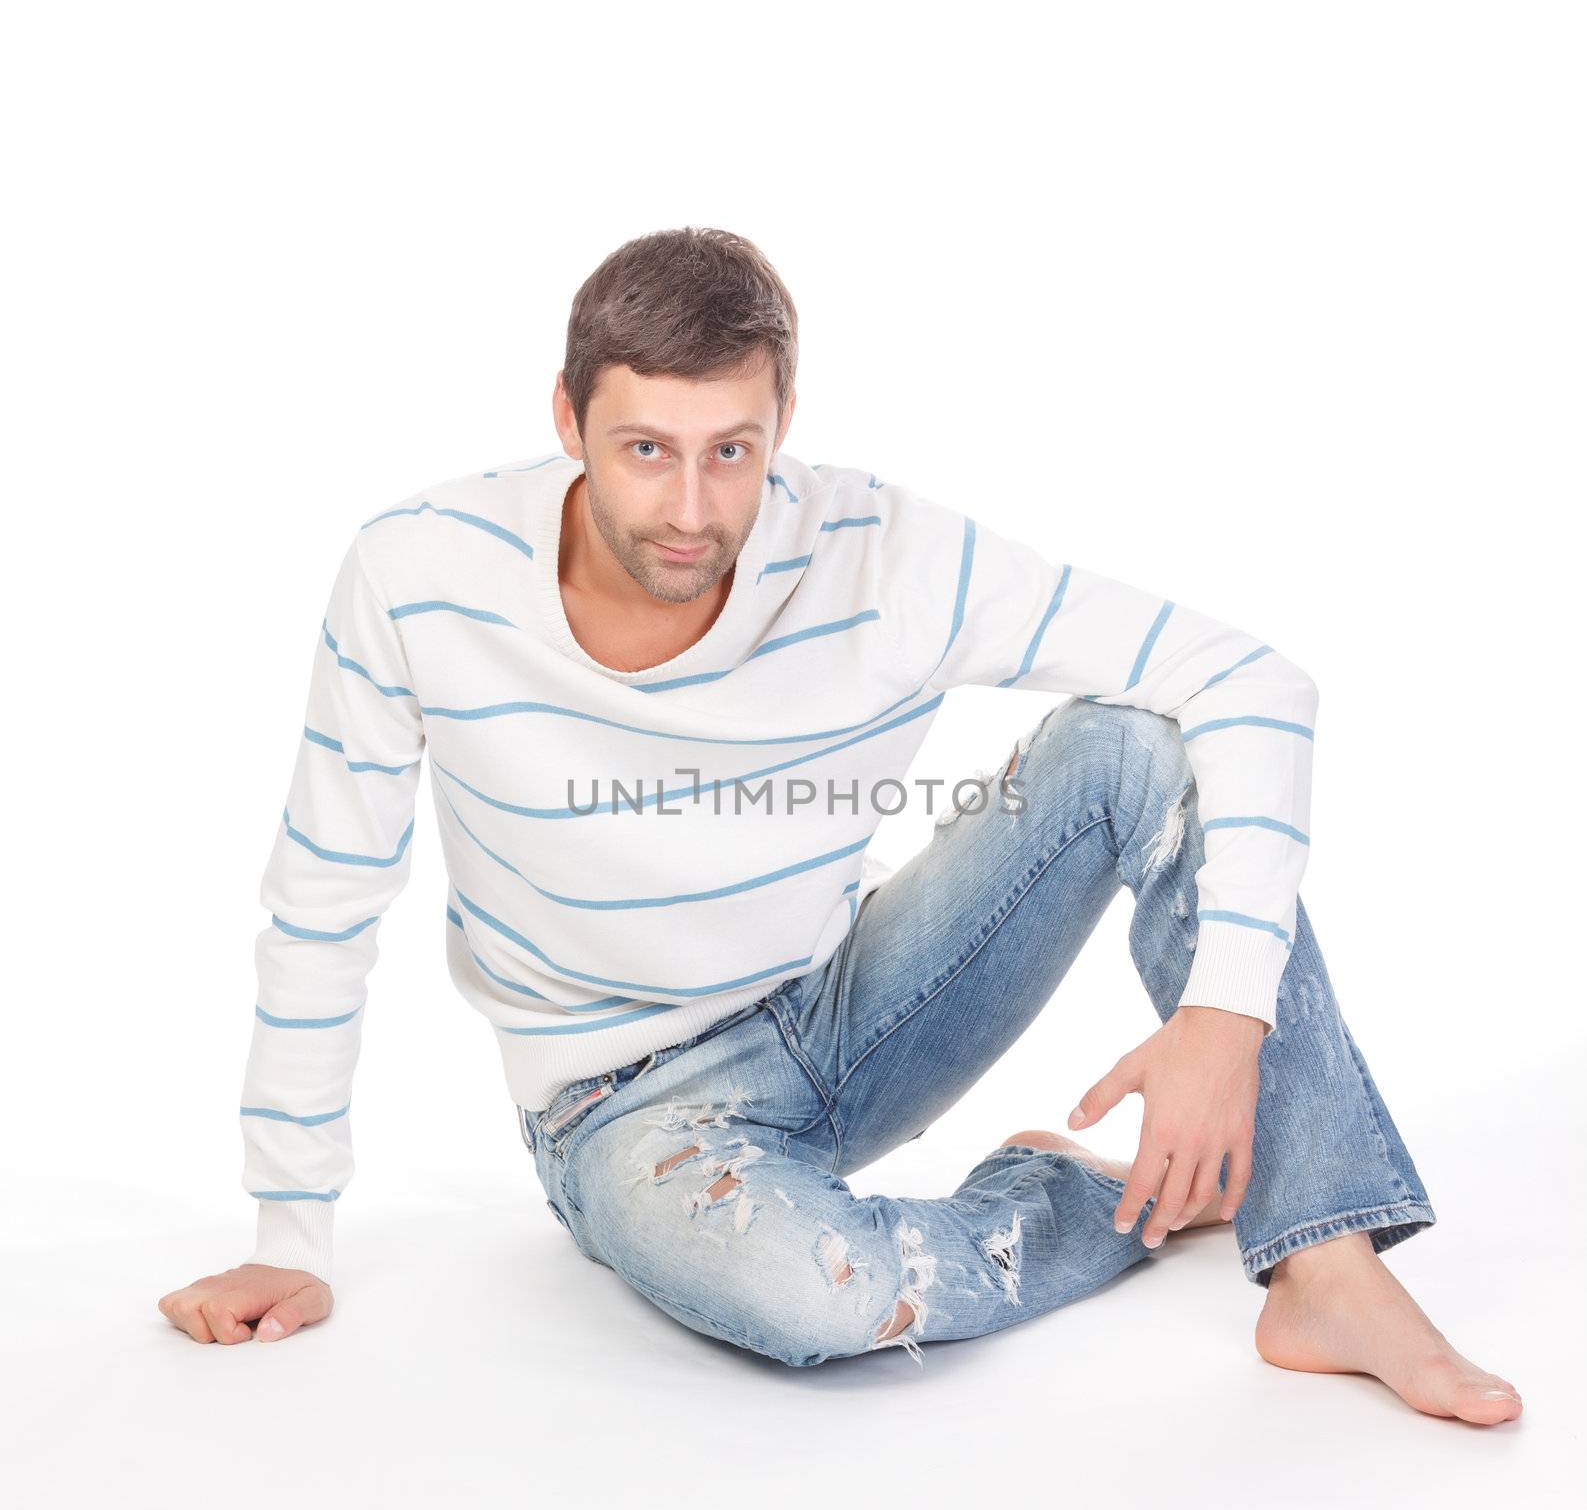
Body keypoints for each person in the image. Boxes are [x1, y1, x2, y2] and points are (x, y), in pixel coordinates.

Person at [157, 226, 1521, 1424]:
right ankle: (1110, 1201)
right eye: (645, 451)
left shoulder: (878, 553)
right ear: (565, 421)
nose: (691, 510)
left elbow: (1253, 684)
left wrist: (1228, 1016)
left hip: (848, 1005)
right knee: (829, 1303)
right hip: (620, 1110)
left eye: (732, 454)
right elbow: (325, 896)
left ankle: (1325, 1263)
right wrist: (293, 1232)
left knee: (1134, 753)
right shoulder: (419, 577)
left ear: (780, 421)